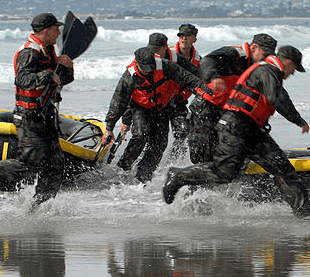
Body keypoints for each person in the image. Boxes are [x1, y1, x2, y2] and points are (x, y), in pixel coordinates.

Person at [162, 46, 310, 217]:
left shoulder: (270, 73)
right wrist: (298, 120)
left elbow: (277, 96)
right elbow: (276, 97)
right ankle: (178, 176)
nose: (292, 73)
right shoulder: (267, 70)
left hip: (253, 130)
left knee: (281, 166)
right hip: (235, 127)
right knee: (224, 172)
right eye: (294, 69)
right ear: (288, 62)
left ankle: (303, 211)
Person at [0, 13, 74, 205]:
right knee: (31, 162)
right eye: (56, 28)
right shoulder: (29, 52)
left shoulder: (49, 50)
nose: (59, 32)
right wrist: (48, 75)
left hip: (46, 113)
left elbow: (62, 80)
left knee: (56, 163)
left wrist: (67, 67)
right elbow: (23, 80)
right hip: (28, 116)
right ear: (46, 30)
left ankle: (39, 205)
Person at [101, 43, 216, 183]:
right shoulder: (129, 76)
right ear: (137, 63)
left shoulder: (164, 65)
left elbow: (185, 76)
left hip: (162, 108)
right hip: (140, 108)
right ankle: (122, 168)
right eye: (145, 69)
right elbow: (118, 102)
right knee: (140, 135)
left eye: (151, 68)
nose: (149, 71)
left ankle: (143, 176)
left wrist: (203, 88)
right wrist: (109, 128)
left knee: (160, 144)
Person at [187, 33, 278, 164]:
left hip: (226, 110)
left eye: (268, 56)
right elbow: (207, 61)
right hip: (205, 107)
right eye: (264, 54)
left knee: (233, 147)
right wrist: (214, 76)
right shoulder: (233, 53)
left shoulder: (257, 67)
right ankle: (193, 178)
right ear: (254, 48)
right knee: (201, 153)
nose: (265, 59)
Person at [166, 24, 202, 160]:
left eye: (187, 36)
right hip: (160, 102)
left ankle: (172, 164)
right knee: (154, 137)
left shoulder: (198, 60)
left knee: (183, 133)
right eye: (181, 36)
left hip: (179, 103)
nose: (183, 39)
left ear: (194, 39)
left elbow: (200, 84)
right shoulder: (167, 54)